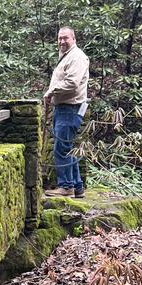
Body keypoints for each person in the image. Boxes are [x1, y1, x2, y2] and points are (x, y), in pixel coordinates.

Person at [43, 26, 89, 198]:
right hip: (64, 108)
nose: (62, 41)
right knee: (68, 148)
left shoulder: (76, 57)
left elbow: (72, 83)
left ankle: (66, 187)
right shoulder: (67, 56)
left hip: (70, 108)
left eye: (65, 38)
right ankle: (77, 187)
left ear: (73, 39)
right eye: (60, 38)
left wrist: (51, 91)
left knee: (61, 149)